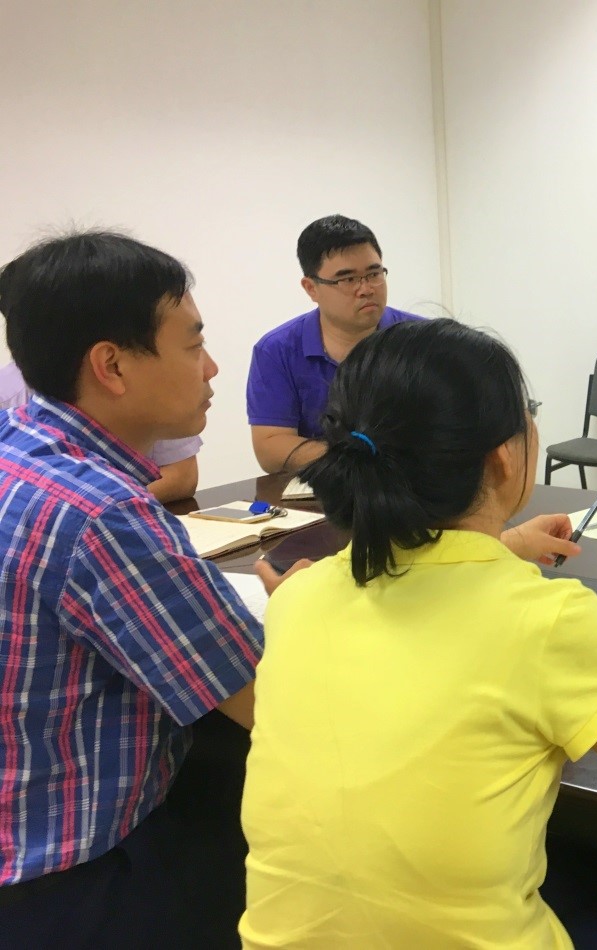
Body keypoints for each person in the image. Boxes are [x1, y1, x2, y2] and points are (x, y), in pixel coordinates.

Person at [239, 318, 597, 949]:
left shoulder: (298, 597)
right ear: (503, 457)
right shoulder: (547, 622)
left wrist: (502, 546)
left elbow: (427, 597)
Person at [0, 231, 300, 947]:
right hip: (75, 880)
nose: (212, 366)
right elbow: (272, 703)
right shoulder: (102, 515)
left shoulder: (18, 448)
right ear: (111, 365)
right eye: (193, 344)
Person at [246, 214, 425, 474]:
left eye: (374, 273)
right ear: (311, 288)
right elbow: (270, 447)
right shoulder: (276, 351)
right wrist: (360, 458)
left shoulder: (423, 340)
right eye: (348, 279)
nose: (366, 289)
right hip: (325, 486)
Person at [0, 361, 202, 501]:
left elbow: (183, 477)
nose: (210, 369)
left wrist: (122, 506)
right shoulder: (6, 396)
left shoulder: (140, 379)